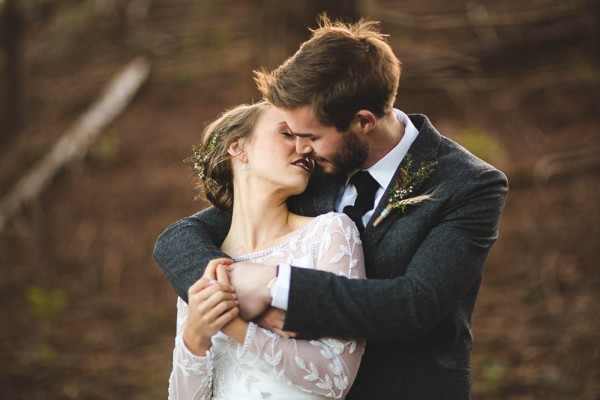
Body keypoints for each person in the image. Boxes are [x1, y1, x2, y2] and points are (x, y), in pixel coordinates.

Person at [155, 16, 508, 399]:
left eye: (309, 136)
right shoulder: (311, 169)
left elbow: (415, 304)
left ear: (363, 122)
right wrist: (226, 288)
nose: (301, 148)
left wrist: (275, 286)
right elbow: (179, 238)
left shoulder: (468, 184)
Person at [167, 101, 366, 399]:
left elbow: (336, 378)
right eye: (287, 134)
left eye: (308, 138)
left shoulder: (330, 233)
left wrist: (236, 325)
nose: (305, 148)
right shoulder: (203, 266)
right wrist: (194, 338)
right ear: (239, 147)